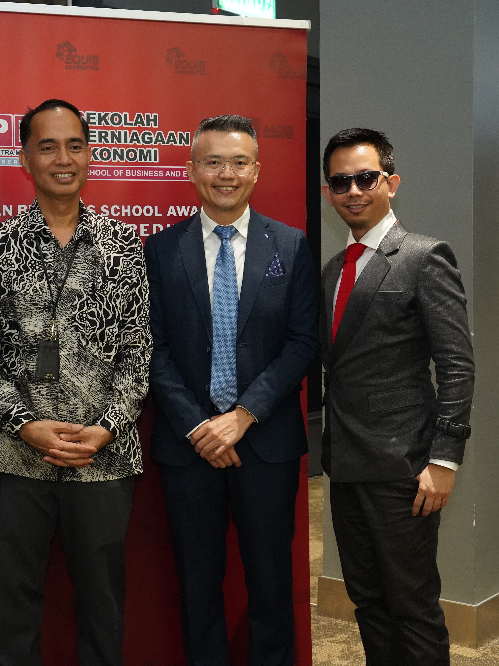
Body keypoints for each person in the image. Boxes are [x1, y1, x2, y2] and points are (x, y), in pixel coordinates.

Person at [0, 99, 150, 666]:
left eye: (74, 145)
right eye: (47, 147)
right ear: (25, 159)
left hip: (104, 458)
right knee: (15, 606)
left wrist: (106, 427)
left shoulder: (124, 245)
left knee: (103, 605)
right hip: (15, 459)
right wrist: (25, 425)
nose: (62, 159)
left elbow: (138, 353)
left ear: (90, 154)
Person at [144, 114, 319, 666]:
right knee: (197, 586)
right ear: (192, 169)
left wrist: (243, 415)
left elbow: (302, 343)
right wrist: (200, 425)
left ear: (257, 171)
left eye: (239, 162)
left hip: (265, 443)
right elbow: (152, 348)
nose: (226, 174)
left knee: (271, 583)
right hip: (189, 446)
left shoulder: (290, 245)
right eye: (214, 161)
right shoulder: (159, 250)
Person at [319, 127, 475, 666]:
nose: (353, 191)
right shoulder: (333, 270)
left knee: (412, 605)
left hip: (405, 468)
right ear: (328, 192)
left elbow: (456, 365)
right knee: (368, 602)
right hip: (345, 464)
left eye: (366, 178)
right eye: (341, 182)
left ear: (391, 182)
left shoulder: (424, 257)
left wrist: (444, 459)